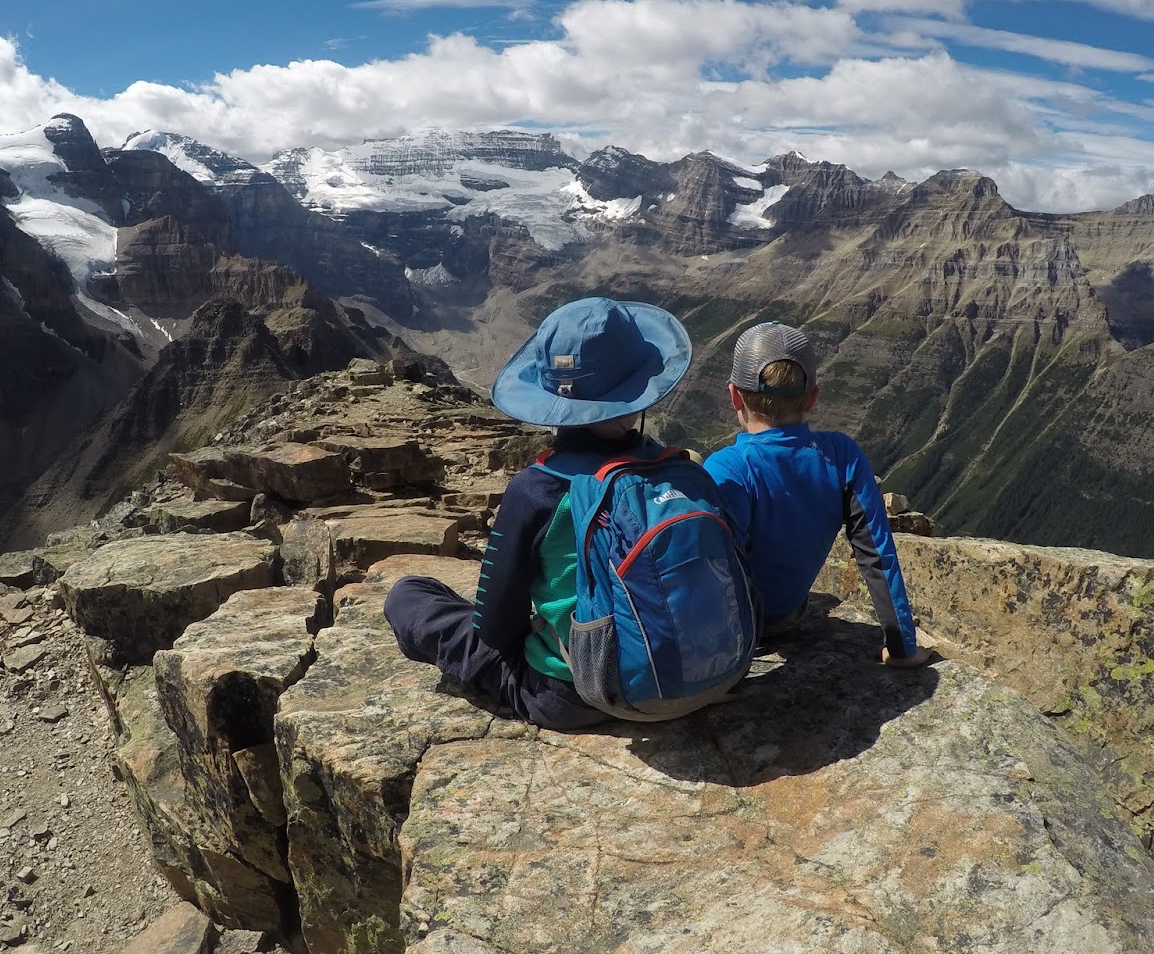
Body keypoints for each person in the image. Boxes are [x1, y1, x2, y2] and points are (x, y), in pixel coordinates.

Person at [383, 296, 705, 729]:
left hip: (575, 694)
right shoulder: (685, 473)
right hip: (700, 675)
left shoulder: (537, 489)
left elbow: (496, 630)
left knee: (410, 594)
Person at [703, 321, 931, 667]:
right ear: (812, 397)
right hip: (788, 615)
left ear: (734, 394)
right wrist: (902, 647)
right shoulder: (843, 454)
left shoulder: (726, 468)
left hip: (740, 634)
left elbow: (713, 570)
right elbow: (877, 551)